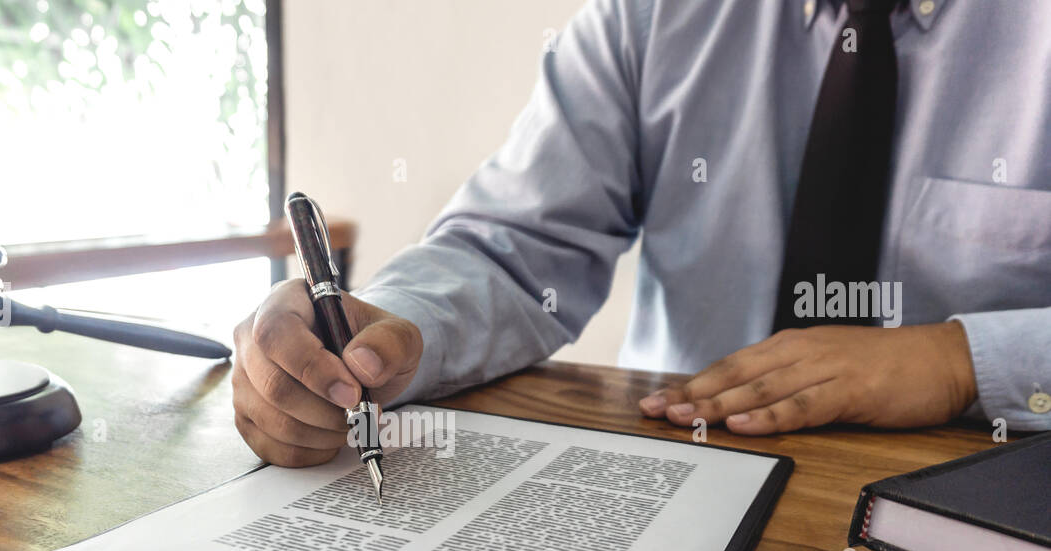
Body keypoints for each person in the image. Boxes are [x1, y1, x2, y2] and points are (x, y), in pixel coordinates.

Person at [232, 0, 1051, 467]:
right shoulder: (652, 15)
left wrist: (958, 363)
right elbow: (515, 251)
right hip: (682, 467)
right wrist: (393, 327)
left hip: (976, 501)